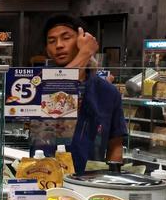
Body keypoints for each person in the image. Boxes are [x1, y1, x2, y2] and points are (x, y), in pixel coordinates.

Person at [40, 14, 126, 174]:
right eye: (51, 41)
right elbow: (60, 97)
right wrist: (85, 52)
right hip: (46, 177)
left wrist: (113, 177)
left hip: (91, 180)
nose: (59, 45)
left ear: (81, 40)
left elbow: (116, 143)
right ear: (47, 50)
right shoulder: (38, 83)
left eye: (66, 38)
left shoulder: (108, 91)